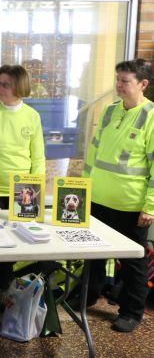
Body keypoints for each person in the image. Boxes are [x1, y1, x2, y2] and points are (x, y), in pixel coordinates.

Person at [78, 58, 154, 332]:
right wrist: (84, 188)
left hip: (130, 205)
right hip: (98, 199)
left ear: (143, 84)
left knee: (134, 261)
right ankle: (88, 295)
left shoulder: (152, 117)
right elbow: (94, 154)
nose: (118, 85)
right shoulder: (110, 111)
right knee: (93, 253)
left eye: (125, 81)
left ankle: (132, 312)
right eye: (117, 79)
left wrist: (150, 206)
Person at [0, 64, 45, 314]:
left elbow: (38, 157)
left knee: (10, 246)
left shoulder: (32, 116)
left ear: (19, 86)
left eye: (5, 84)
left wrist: (35, 190)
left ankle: (2, 291)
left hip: (24, 192)